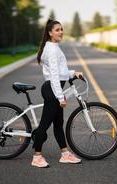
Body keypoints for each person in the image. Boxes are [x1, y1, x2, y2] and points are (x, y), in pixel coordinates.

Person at [31, 19, 83, 168]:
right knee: (44, 125)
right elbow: (54, 76)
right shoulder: (52, 49)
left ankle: (65, 154)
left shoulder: (53, 47)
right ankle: (37, 157)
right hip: (52, 90)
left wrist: (73, 73)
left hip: (54, 88)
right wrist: (60, 97)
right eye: (57, 30)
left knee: (58, 124)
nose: (61, 32)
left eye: (61, 29)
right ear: (50, 33)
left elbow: (60, 72)